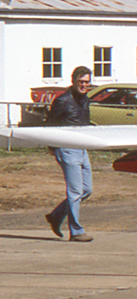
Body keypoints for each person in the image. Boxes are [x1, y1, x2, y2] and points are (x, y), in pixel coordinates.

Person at [43, 67, 94, 242]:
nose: (84, 85)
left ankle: (56, 216)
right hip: (66, 147)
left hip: (81, 146)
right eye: (81, 81)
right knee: (75, 191)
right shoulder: (63, 100)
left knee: (86, 189)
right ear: (73, 81)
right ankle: (77, 232)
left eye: (87, 81)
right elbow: (49, 123)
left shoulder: (85, 99)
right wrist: (52, 146)